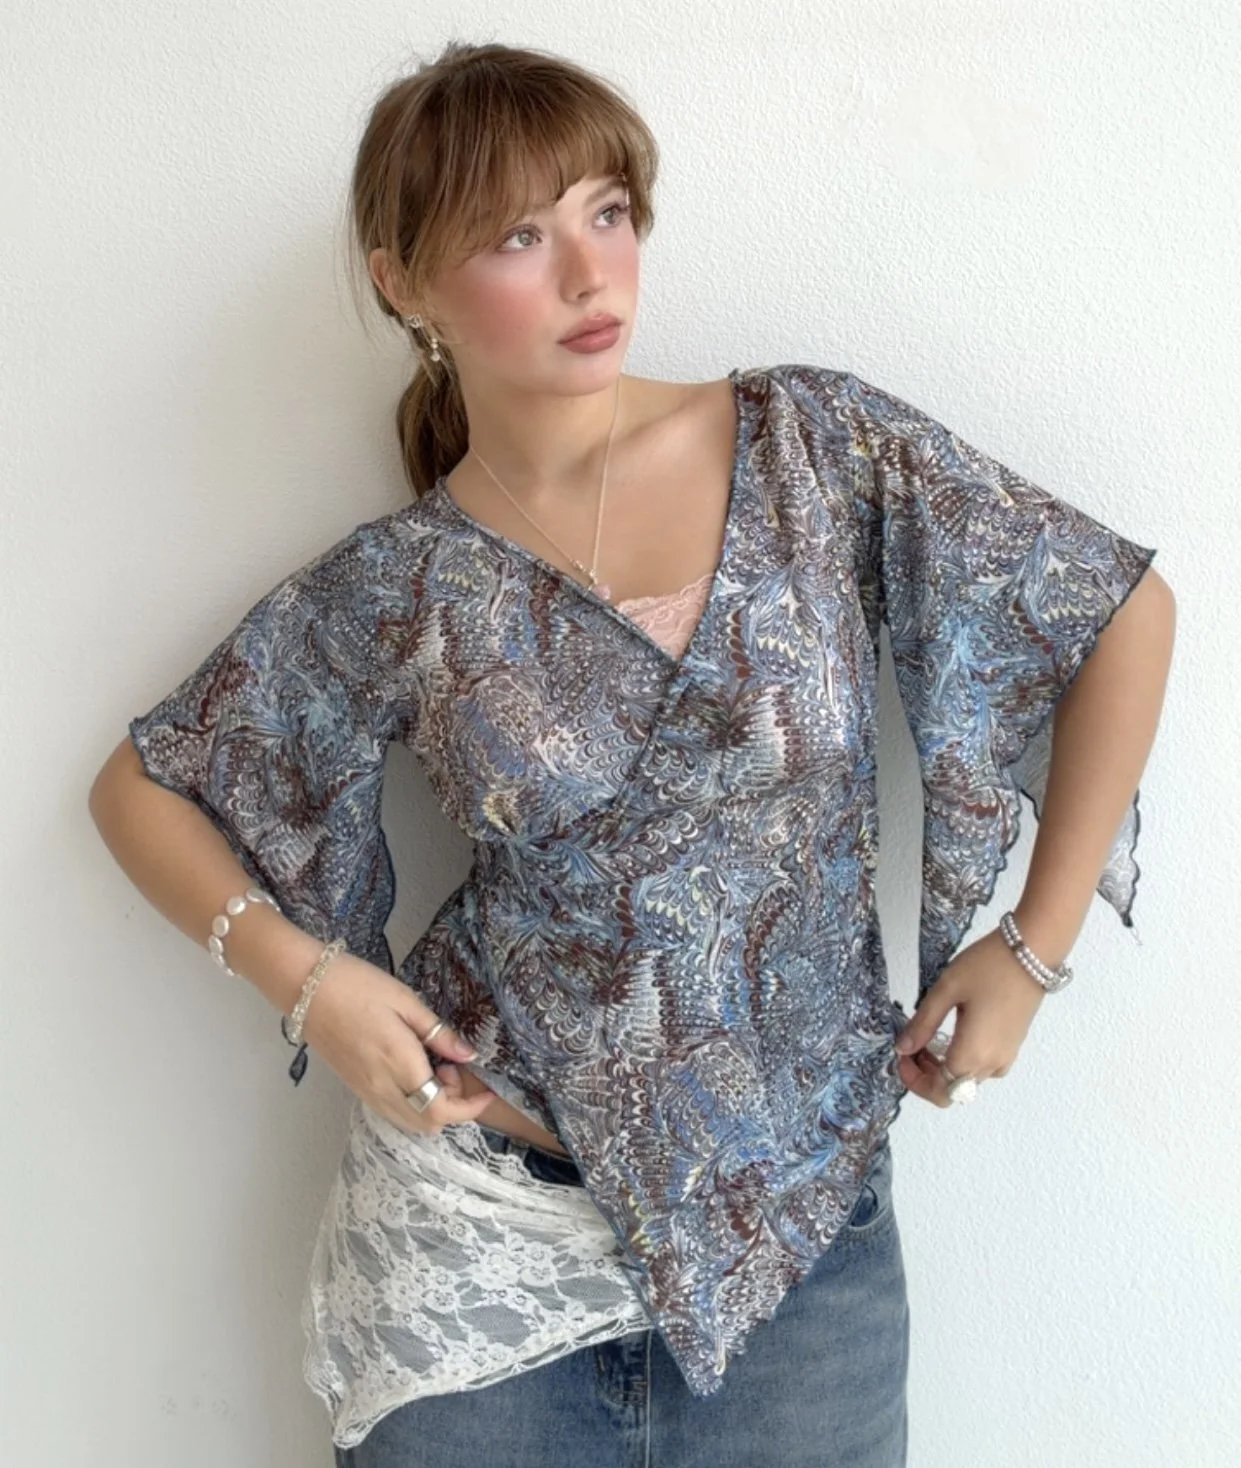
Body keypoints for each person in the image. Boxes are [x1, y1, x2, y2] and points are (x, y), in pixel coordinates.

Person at [87, 39, 1176, 1468]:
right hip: (482, 1247)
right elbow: (142, 788)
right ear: (404, 285)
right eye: (518, 236)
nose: (591, 273)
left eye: (609, 211)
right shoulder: (399, 587)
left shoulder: (811, 444)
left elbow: (1114, 611)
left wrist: (1031, 951)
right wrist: (311, 984)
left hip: (803, 1240)